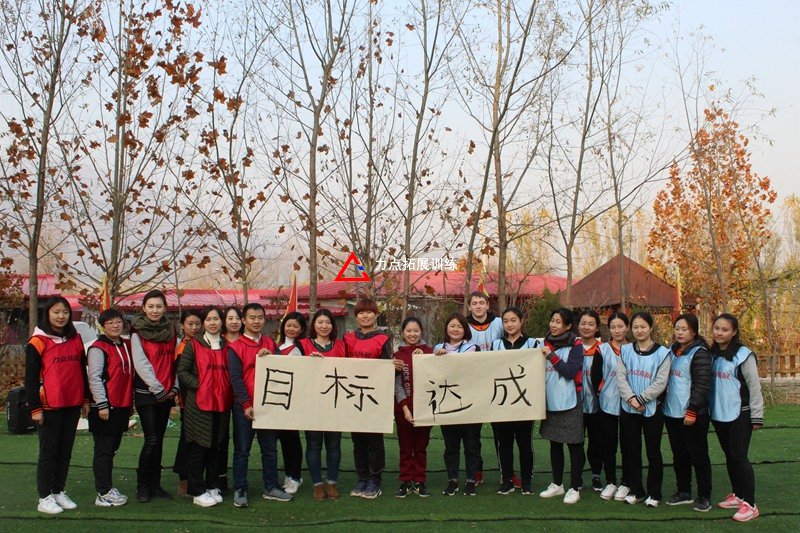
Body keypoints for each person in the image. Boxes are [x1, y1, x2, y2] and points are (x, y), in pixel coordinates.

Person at [25, 296, 90, 514]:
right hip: (48, 406)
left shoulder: (76, 338)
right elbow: (30, 378)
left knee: (65, 451)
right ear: (47, 314)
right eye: (56, 312)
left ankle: (58, 490)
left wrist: (85, 399)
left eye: (65, 312)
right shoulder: (37, 342)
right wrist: (35, 408)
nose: (61, 316)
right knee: (48, 452)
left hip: (72, 403)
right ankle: (44, 497)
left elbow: (82, 371)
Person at [227, 303, 292, 507]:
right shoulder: (235, 347)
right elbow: (236, 379)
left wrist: (272, 356)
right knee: (242, 450)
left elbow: (282, 368)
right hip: (244, 407)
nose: (256, 321)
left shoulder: (270, 343)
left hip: (268, 405)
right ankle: (240, 488)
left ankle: (271, 487)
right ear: (243, 320)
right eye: (252, 318)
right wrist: (246, 404)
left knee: (270, 449)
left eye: (260, 318)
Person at [343, 298, 401, 499]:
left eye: (369, 312)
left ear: (376, 315)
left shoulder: (384, 339)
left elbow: (387, 369)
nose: (365, 316)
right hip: (353, 396)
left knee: (374, 440)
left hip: (375, 397)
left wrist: (395, 368)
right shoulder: (348, 338)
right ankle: (361, 477)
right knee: (358, 440)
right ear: (356, 316)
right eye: (361, 312)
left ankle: (374, 479)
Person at [709, 313, 763, 522]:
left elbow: (754, 386)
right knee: (730, 455)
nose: (720, 333)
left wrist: (756, 416)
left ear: (733, 332)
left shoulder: (743, 355)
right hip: (719, 413)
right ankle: (738, 495)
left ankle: (750, 503)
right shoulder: (711, 354)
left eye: (725, 330)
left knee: (739, 456)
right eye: (717, 328)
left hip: (741, 413)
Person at [177, 306, 233, 507]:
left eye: (216, 319)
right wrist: (200, 385)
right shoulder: (194, 344)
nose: (212, 323)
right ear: (203, 323)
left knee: (215, 447)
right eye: (208, 319)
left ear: (222, 321)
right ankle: (196, 490)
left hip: (221, 403)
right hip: (198, 405)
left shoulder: (227, 345)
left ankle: (211, 486)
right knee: (199, 447)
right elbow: (182, 372)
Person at [616, 311, 670, 507]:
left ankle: (654, 494)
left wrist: (641, 399)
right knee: (631, 451)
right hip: (628, 408)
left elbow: (661, 382)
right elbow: (620, 378)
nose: (639, 330)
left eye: (643, 326)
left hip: (651, 409)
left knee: (653, 452)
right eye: (635, 327)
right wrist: (631, 399)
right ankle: (636, 490)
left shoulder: (663, 353)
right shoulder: (625, 350)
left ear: (651, 328)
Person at [131, 289, 178, 503]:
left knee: (159, 440)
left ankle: (155, 484)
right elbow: (141, 363)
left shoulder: (171, 330)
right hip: (147, 392)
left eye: (159, 306)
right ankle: (142, 485)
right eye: (150, 306)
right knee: (150, 439)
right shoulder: (137, 332)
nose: (155, 310)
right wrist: (157, 388)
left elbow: (175, 360)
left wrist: (174, 387)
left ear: (165, 308)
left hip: (166, 393)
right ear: (144, 308)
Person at [663, 314, 713, 512]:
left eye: (684, 329)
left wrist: (692, 409)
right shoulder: (672, 350)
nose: (680, 333)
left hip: (692, 414)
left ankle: (704, 495)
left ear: (694, 331)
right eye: (677, 329)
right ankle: (684, 491)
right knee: (679, 455)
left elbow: (702, 384)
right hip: (672, 412)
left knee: (698, 456)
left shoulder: (700, 353)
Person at [490, 307, 539, 496]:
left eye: (513, 320)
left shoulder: (533, 344)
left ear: (521, 321)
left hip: (525, 402)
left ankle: (526, 481)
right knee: (504, 443)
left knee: (525, 443)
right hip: (502, 402)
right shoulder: (496, 345)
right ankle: (507, 480)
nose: (509, 324)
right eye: (505, 321)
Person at [538, 308, 585, 505]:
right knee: (555, 444)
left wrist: (551, 356)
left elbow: (569, 371)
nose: (553, 325)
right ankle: (557, 484)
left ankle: (575, 487)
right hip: (550, 402)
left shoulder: (576, 345)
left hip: (570, 402)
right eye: (552, 320)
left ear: (568, 326)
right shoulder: (542, 344)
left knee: (574, 446)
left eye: (558, 322)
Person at [88, 308, 134, 507]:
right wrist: (102, 404)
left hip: (122, 405)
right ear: (103, 326)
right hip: (105, 407)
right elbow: (94, 377)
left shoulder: (126, 345)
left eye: (118, 321)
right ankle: (103, 492)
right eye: (110, 323)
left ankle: (108, 487)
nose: (115, 325)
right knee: (104, 450)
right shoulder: (98, 348)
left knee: (112, 449)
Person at [299, 309, 347, 501]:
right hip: (312, 403)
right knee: (313, 444)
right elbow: (293, 368)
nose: (324, 326)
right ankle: (317, 484)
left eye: (328, 322)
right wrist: (308, 362)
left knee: (334, 443)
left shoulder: (341, 346)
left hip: (335, 402)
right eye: (320, 322)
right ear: (313, 325)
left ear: (333, 326)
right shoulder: (303, 345)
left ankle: (332, 483)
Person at [434, 313, 482, 496]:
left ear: (465, 329)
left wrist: (449, 356)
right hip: (447, 403)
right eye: (452, 325)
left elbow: (473, 369)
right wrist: (434, 357)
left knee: (471, 445)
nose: (455, 329)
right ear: (446, 328)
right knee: (451, 446)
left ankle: (471, 480)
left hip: (470, 404)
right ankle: (452, 480)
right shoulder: (437, 348)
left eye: (460, 326)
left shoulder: (473, 348)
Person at [465, 291, 505, 486]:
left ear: (488, 305)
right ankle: (476, 470)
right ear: (469, 307)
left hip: (498, 382)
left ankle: (505, 471)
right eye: (475, 303)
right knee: (473, 433)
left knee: (501, 433)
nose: (479, 306)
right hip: (473, 384)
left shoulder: (499, 323)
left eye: (482, 302)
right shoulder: (463, 325)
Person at [393, 317, 434, 498]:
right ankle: (405, 480)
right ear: (403, 333)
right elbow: (397, 385)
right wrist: (404, 408)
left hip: (425, 408)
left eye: (416, 330)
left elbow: (437, 376)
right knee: (405, 446)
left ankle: (419, 480)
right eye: (408, 331)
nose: (412, 334)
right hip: (403, 408)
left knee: (421, 446)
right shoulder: (397, 355)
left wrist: (430, 358)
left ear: (421, 332)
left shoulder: (429, 352)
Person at [596, 312, 632, 501]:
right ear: (608, 329)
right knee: (608, 445)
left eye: (620, 326)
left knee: (628, 445)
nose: (617, 330)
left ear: (627, 327)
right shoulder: (602, 349)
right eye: (613, 327)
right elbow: (595, 376)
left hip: (630, 405)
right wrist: (600, 391)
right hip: (607, 403)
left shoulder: (635, 349)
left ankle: (626, 482)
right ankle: (610, 481)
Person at [275, 311, 306, 495]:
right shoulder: (276, 345)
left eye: (296, 326)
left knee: (292, 439)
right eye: (288, 325)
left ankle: (296, 476)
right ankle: (289, 474)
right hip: (278, 400)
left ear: (301, 329)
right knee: (284, 439)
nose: (291, 329)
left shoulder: (302, 347)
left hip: (294, 400)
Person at [174, 309, 202, 497]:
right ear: (182, 326)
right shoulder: (182, 348)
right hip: (189, 401)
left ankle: (195, 478)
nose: (194, 327)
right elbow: (182, 377)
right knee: (187, 441)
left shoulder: (202, 343)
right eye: (190, 324)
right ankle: (184, 481)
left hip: (203, 400)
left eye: (197, 323)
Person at [577, 310, 605, 493]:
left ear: (597, 328)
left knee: (596, 441)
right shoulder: (572, 347)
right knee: (577, 442)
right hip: (575, 404)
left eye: (591, 324)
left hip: (597, 405)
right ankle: (577, 475)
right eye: (583, 323)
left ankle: (596, 474)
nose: (586, 327)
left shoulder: (603, 349)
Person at [217, 306, 242, 494]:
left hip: (242, 396)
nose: (234, 322)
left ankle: (240, 480)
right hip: (221, 394)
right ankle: (220, 476)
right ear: (224, 321)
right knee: (221, 438)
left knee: (241, 440)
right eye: (230, 318)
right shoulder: (218, 341)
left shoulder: (246, 340)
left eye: (237, 318)